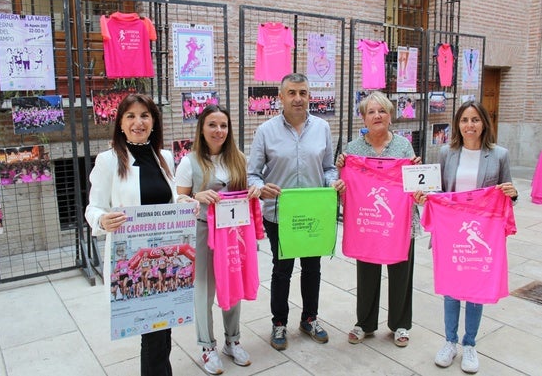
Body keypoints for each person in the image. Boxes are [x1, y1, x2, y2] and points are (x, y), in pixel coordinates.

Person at [415, 100, 518, 374]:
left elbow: (508, 197)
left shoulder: (499, 155)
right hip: (452, 235)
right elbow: (439, 193)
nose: (469, 125)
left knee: (476, 292)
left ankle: (469, 344)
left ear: (484, 123)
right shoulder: (448, 153)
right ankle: (449, 342)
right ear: (457, 124)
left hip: (482, 234)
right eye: (464, 120)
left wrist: (512, 194)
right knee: (451, 290)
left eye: (474, 120)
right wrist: (425, 197)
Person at [247, 73, 346, 351]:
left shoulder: (323, 128)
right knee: (282, 270)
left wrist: (332, 181)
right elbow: (252, 174)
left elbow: (328, 167)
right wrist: (262, 188)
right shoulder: (266, 131)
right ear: (280, 97)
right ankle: (279, 323)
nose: (298, 98)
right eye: (291, 93)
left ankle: (309, 318)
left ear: (309, 96)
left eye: (303, 92)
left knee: (312, 268)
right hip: (280, 213)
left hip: (314, 212)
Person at [85, 93, 177, 376]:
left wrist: (183, 205)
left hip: (166, 256)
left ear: (154, 121)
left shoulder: (165, 158)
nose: (139, 122)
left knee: (164, 327)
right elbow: (93, 208)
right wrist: (103, 220)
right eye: (131, 116)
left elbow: (168, 202)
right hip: (134, 261)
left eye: (145, 115)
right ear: (121, 124)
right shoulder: (109, 160)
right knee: (151, 333)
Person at [175, 104, 260, 375]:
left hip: (232, 232)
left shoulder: (239, 159)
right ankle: (206, 347)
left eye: (223, 125)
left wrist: (255, 189)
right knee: (204, 291)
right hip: (201, 232)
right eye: (212, 124)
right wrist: (195, 198)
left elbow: (248, 189)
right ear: (202, 128)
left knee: (232, 284)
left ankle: (232, 341)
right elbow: (178, 200)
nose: (218, 130)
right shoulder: (189, 162)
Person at [336, 90, 421, 348]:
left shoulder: (403, 146)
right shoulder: (352, 149)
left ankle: (400, 324)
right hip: (369, 221)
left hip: (401, 221)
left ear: (390, 116)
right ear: (363, 118)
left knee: (401, 273)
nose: (377, 115)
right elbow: (346, 191)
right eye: (371, 111)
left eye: (382, 110)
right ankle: (365, 323)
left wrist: (417, 171)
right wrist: (341, 172)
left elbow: (415, 189)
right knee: (367, 272)